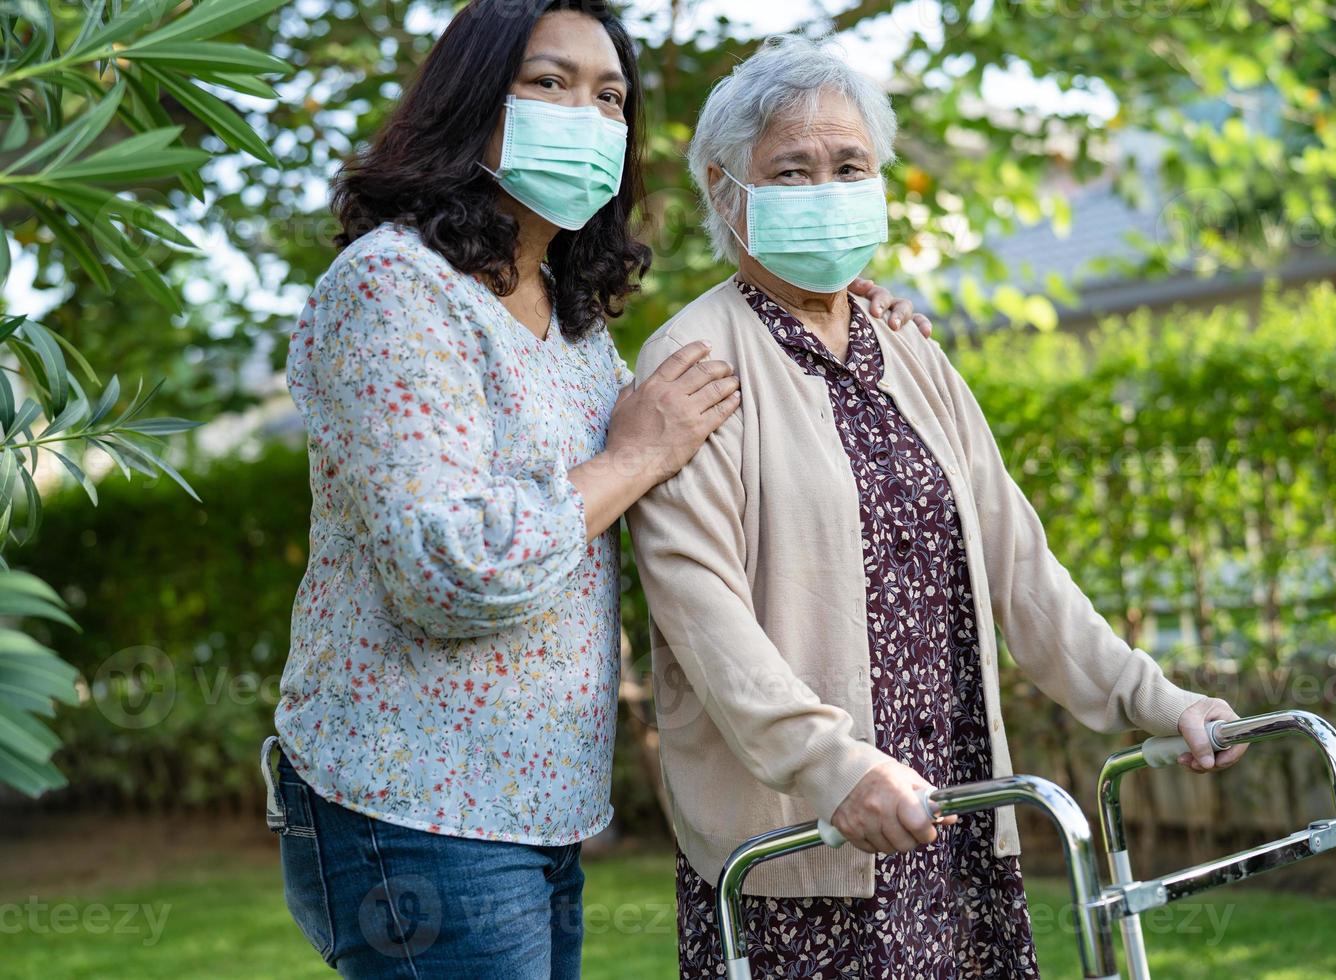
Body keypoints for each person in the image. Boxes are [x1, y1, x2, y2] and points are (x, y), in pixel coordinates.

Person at [265, 4, 927, 977]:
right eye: (549, 82)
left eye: (609, 95)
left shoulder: (576, 327)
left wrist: (832, 312)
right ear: (471, 102)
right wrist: (632, 455)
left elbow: (686, 451)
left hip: (537, 801)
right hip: (411, 803)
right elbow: (452, 571)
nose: (586, 112)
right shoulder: (392, 290)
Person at [626, 34, 1248, 978]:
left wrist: (1153, 700)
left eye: (850, 165)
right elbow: (701, 615)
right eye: (791, 170)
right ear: (724, 190)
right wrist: (835, 770)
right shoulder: (694, 362)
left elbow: (1017, 562)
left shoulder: (908, 344)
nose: (827, 188)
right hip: (806, 840)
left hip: (952, 816)